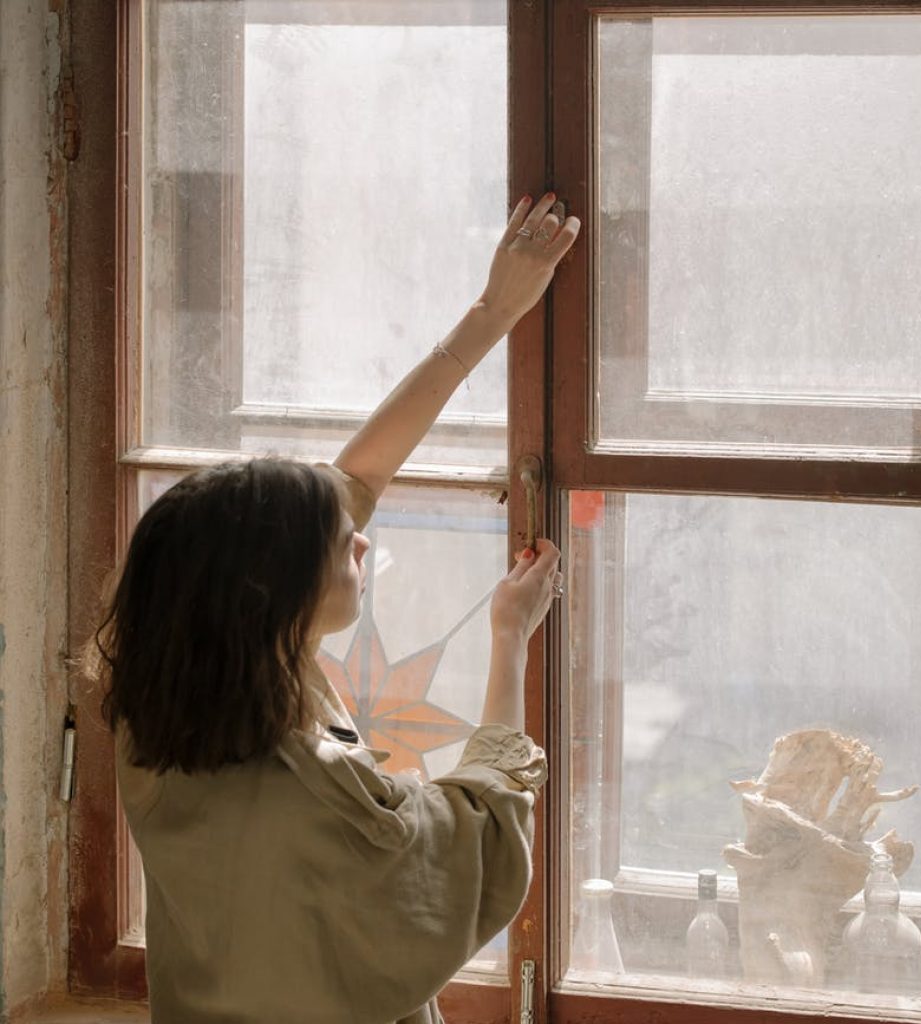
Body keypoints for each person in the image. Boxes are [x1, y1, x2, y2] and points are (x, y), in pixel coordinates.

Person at [93, 194, 580, 1023]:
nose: (361, 542)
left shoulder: (160, 721)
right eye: (341, 543)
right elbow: (487, 836)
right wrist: (510, 643)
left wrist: (493, 312)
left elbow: (354, 479)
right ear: (271, 595)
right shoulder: (323, 803)